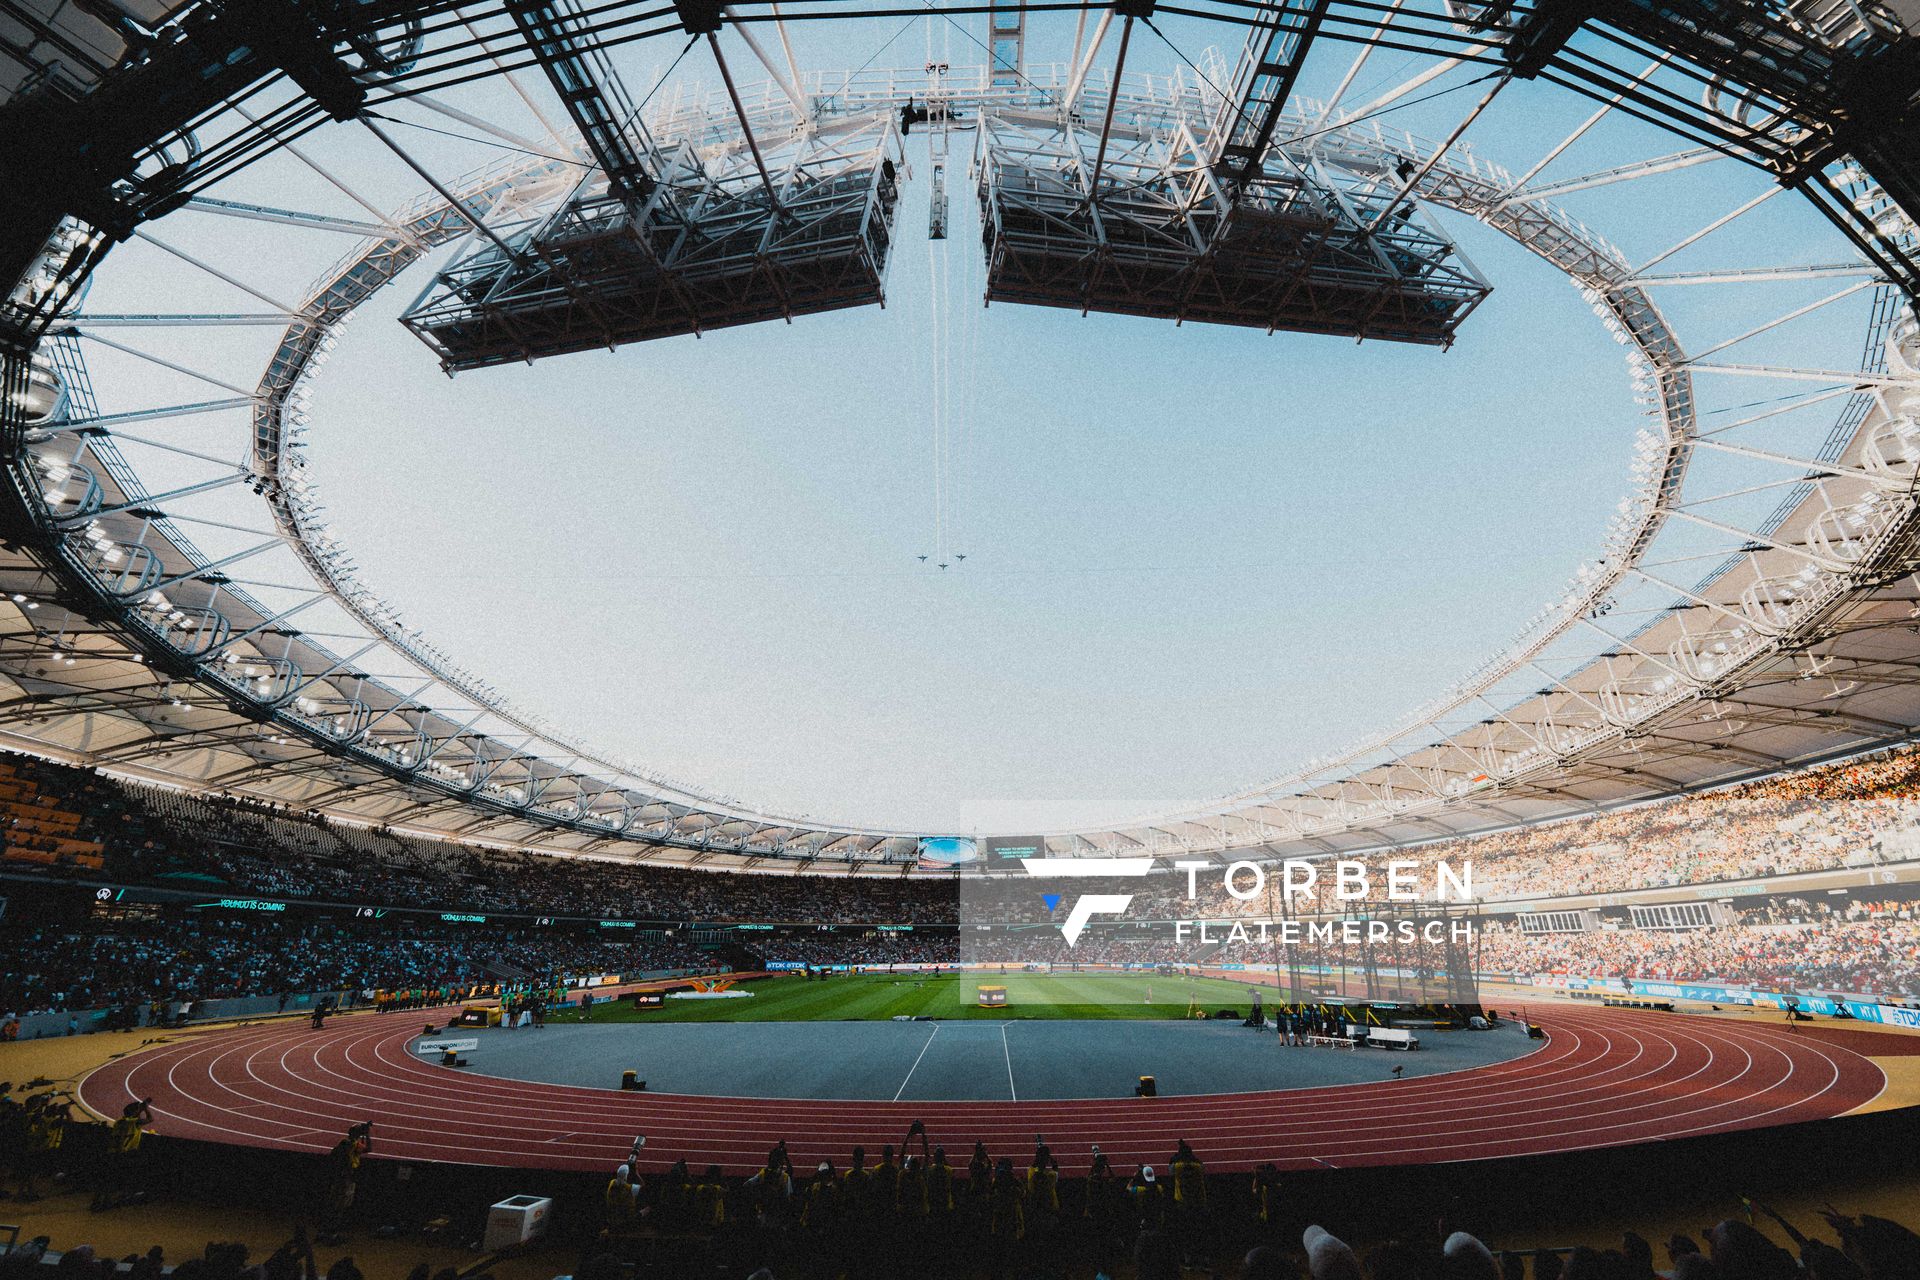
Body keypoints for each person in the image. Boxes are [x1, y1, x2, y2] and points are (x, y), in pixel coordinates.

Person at [92, 1097, 153, 1210]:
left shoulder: (120, 1121)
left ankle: (97, 1202)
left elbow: (130, 1118)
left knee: (106, 1179)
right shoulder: (133, 1123)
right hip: (122, 1154)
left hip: (110, 1152)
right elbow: (150, 1119)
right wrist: (144, 1109)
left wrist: (140, 1108)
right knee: (114, 1179)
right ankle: (107, 1202)